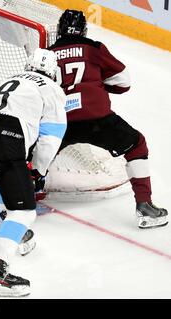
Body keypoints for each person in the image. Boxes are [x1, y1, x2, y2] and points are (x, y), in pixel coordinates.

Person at [48, 9, 168, 229]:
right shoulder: (94, 48)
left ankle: (19, 200)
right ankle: (145, 206)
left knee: (35, 157)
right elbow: (124, 81)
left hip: (60, 122)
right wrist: (99, 84)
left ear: (59, 30)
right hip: (97, 119)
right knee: (136, 144)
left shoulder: (47, 53)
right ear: (83, 30)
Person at [0, 48, 67, 297]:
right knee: (24, 212)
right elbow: (50, 139)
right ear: (53, 72)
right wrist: (38, 172)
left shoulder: (14, 78)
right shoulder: (53, 90)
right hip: (5, 139)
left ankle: (14, 231)